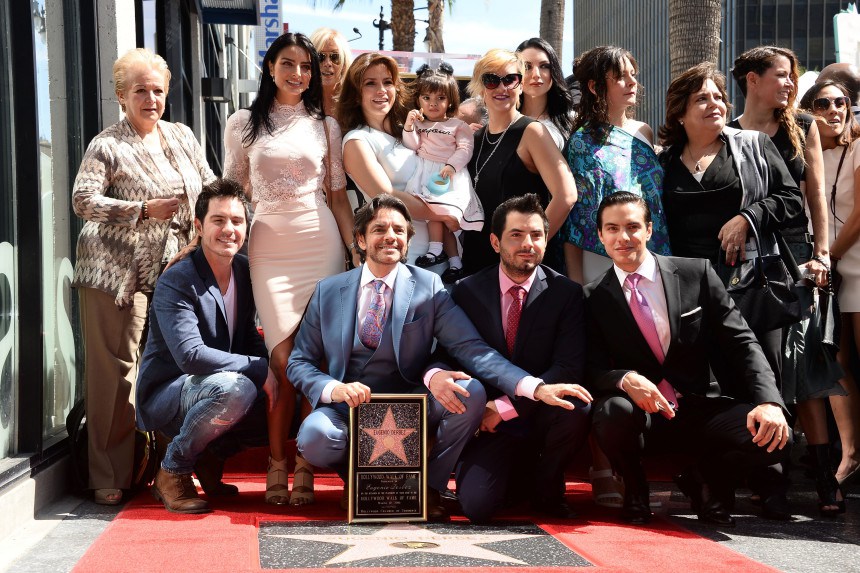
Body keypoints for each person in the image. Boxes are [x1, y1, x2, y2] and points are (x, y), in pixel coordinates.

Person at [287, 195, 582, 519]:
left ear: (409, 239)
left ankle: (427, 487)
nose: (390, 236)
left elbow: (472, 349)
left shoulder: (430, 287)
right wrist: (333, 389)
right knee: (315, 438)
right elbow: (299, 361)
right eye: (379, 229)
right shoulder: (328, 290)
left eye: (399, 230)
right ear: (360, 238)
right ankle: (363, 482)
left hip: (412, 401)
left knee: (471, 393)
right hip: (347, 406)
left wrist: (533, 387)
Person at [586, 192, 791, 526]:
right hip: (645, 415)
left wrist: (768, 401)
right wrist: (624, 379)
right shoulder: (592, 297)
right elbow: (591, 368)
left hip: (702, 407)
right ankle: (635, 490)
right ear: (600, 236)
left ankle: (705, 478)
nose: (623, 237)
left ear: (650, 230)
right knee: (610, 412)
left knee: (778, 439)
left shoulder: (696, 273)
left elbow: (742, 342)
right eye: (612, 228)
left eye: (633, 226)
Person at [71, 48, 215, 506]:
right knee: (115, 373)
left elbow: (209, 184)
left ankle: (169, 467)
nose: (150, 99)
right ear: (121, 96)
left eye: (157, 90)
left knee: (175, 366)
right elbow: (82, 199)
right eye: (140, 91)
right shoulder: (107, 143)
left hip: (175, 269)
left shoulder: (182, 136)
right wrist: (140, 211)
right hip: (116, 273)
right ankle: (108, 474)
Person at [223, 32, 355, 506]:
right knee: (281, 359)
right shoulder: (241, 123)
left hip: (319, 240)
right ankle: (283, 457)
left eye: (306, 66)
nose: (297, 74)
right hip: (269, 246)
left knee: (310, 358)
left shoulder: (326, 126)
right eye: (288, 64)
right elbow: (233, 190)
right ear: (270, 66)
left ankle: (294, 463)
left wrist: (352, 252)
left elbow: (337, 194)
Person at [730, 47, 844, 516]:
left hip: (797, 260)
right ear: (753, 80)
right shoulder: (729, 132)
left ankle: (825, 480)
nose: (790, 83)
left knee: (806, 370)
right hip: (747, 266)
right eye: (781, 75)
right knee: (761, 368)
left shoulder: (803, 128)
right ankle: (765, 474)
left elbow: (814, 194)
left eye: (793, 75)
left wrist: (820, 254)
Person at [442, 194, 592, 522]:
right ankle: (519, 476)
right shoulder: (467, 291)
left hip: (536, 412)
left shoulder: (566, 293)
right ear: (495, 242)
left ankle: (547, 484)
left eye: (536, 235)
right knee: (478, 508)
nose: (528, 243)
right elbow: (453, 356)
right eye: (516, 235)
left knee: (576, 406)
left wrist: (506, 408)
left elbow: (568, 367)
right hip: (488, 424)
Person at [659, 63, 803, 406]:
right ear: (680, 113)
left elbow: (791, 200)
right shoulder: (663, 163)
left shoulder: (755, 145)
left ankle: (773, 454)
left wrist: (748, 217)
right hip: (691, 291)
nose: (715, 104)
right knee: (709, 384)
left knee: (762, 376)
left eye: (718, 97)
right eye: (701, 99)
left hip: (750, 283)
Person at [136, 179, 275, 514]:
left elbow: (246, 335)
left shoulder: (243, 270)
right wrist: (258, 368)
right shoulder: (178, 278)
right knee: (237, 388)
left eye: (237, 221)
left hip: (213, 384)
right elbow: (190, 355)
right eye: (218, 221)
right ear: (198, 226)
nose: (229, 229)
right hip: (170, 392)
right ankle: (173, 470)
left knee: (290, 387)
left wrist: (275, 367)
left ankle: (211, 453)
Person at [562, 45, 671, 286]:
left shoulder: (644, 131)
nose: (632, 82)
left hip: (650, 253)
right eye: (621, 77)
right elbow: (575, 220)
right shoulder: (581, 141)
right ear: (594, 86)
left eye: (633, 74)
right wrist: (577, 283)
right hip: (601, 261)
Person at [463, 48, 577, 276]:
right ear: (479, 86)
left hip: (519, 269)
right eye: (491, 80)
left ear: (521, 84)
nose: (502, 88)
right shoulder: (474, 138)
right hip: (476, 265)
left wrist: (533, 246)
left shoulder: (531, 131)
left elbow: (566, 196)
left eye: (510, 79)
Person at [800, 80, 860, 496]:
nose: (835, 109)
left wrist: (831, 256)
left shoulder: (858, 146)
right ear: (809, 110)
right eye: (824, 103)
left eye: (843, 102)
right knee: (833, 364)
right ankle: (851, 453)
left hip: (852, 265)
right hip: (826, 273)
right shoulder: (805, 152)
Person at [339, 53, 454, 264]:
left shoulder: (407, 133)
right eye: (370, 83)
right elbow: (388, 196)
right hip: (403, 256)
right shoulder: (357, 140)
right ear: (356, 94)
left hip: (443, 252)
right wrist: (447, 215)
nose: (381, 90)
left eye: (387, 82)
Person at [403, 63, 483, 283]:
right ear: (418, 100)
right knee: (435, 216)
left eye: (440, 98)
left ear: (450, 100)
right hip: (425, 173)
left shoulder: (458, 125)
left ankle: (442, 253)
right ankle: (451, 260)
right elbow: (412, 144)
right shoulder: (420, 124)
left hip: (448, 174)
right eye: (427, 98)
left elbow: (465, 149)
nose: (433, 103)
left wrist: (451, 166)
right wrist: (409, 126)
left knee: (448, 220)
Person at [515, 37, 575, 151]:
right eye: (527, 67)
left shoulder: (573, 120)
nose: (536, 74)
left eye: (544, 66)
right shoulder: (504, 121)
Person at [309, 27, 352, 118]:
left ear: (344, 63)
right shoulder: (300, 100)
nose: (328, 63)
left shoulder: (355, 100)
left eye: (335, 57)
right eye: (320, 57)